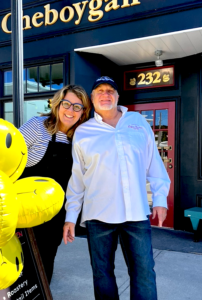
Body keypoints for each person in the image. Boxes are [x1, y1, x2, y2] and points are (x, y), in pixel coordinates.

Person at [63, 76, 170, 300]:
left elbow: (154, 163)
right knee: (102, 275)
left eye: (110, 90)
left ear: (118, 96)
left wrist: (160, 199)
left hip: (136, 215)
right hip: (98, 216)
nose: (106, 94)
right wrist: (71, 216)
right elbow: (78, 178)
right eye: (100, 91)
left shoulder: (137, 122)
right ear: (92, 99)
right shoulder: (83, 132)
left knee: (144, 274)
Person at [19, 84, 91, 284]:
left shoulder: (79, 138)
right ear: (57, 104)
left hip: (54, 216)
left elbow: (77, 183)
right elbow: (7, 157)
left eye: (77, 107)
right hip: (23, 212)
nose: (70, 110)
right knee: (17, 264)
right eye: (66, 104)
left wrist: (70, 219)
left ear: (83, 112)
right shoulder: (37, 126)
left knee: (44, 264)